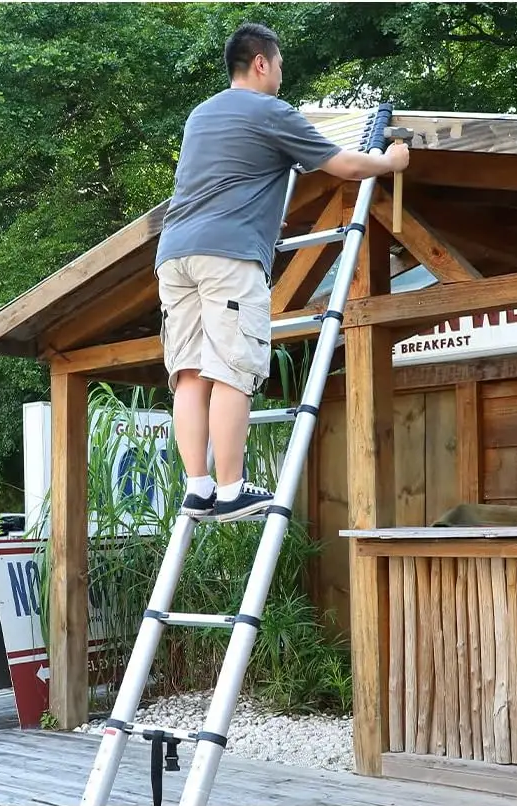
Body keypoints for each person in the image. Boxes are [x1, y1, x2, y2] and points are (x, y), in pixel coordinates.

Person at [156, 21, 410, 522]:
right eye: (278, 66)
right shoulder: (270, 111)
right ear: (260, 63)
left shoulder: (200, 116)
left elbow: (232, 176)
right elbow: (346, 167)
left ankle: (199, 487)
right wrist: (389, 161)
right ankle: (231, 491)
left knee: (188, 372)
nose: (279, 76)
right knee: (233, 367)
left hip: (174, 254)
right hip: (228, 257)